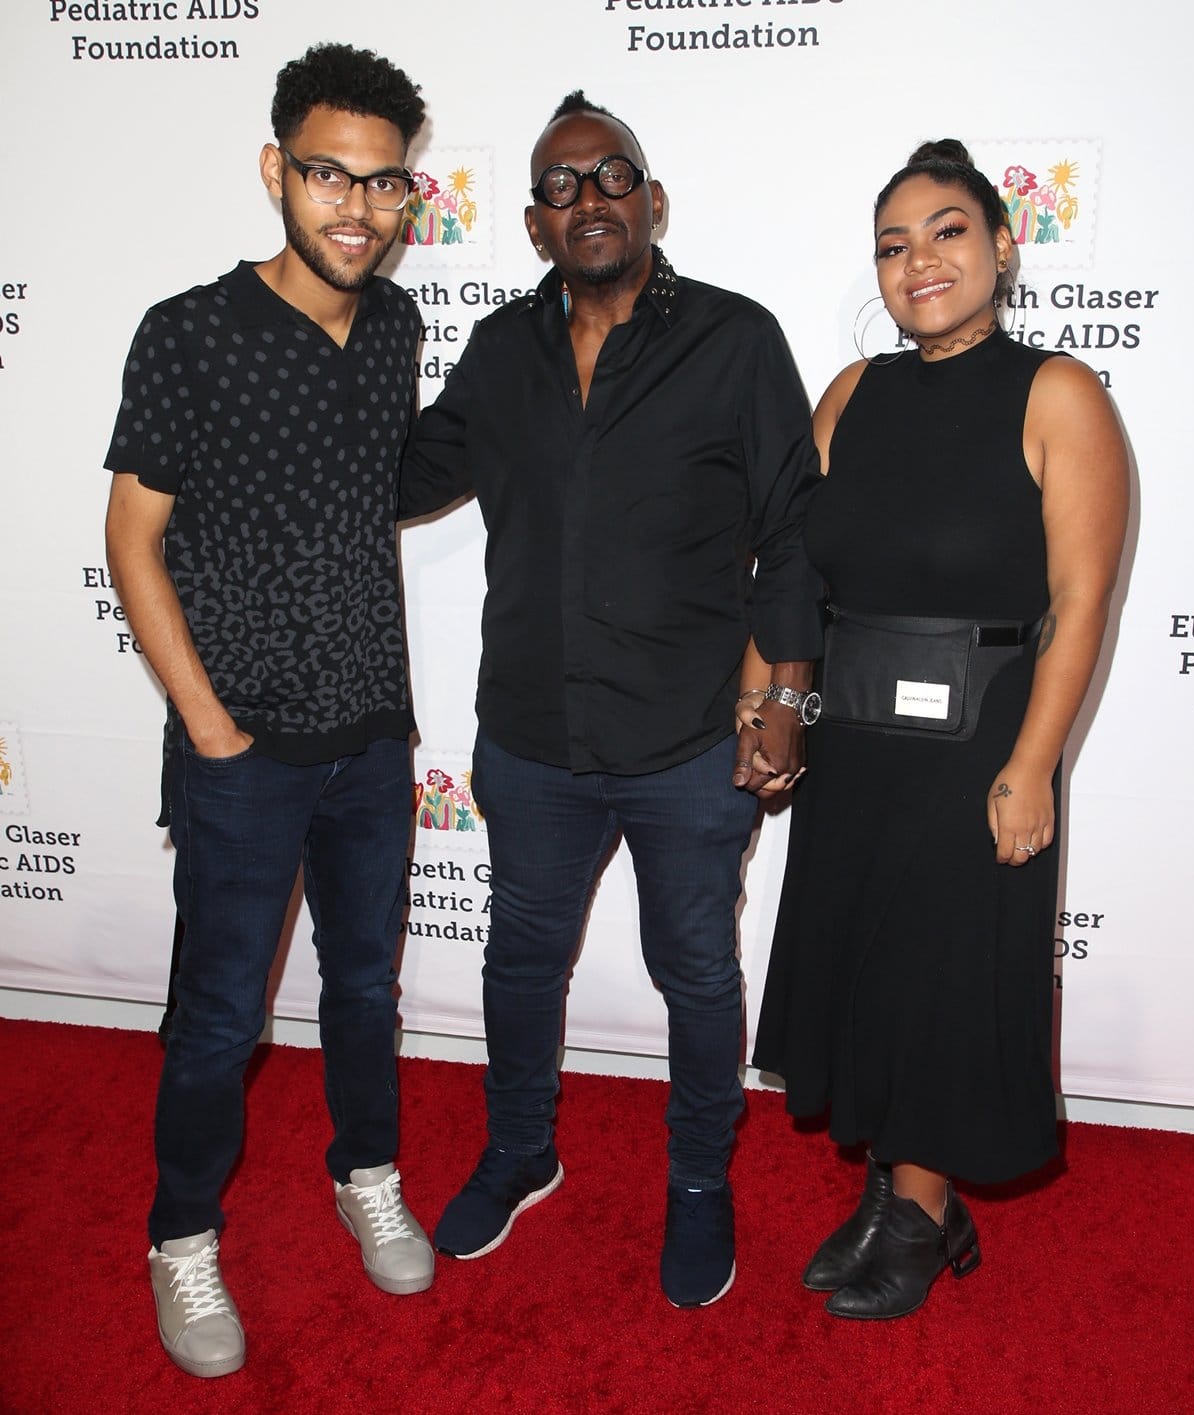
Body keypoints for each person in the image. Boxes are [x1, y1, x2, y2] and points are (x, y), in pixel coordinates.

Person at [398, 92, 825, 1308]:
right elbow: (413, 473)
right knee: (522, 962)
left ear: (653, 201)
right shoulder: (498, 350)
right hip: (530, 737)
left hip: (689, 738)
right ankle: (524, 1149)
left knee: (694, 968)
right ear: (534, 225)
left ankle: (698, 1181)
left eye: (610, 175)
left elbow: (792, 529)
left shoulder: (735, 341)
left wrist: (786, 694)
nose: (587, 199)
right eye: (560, 186)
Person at [749, 139, 1129, 1320]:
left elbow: (1081, 601)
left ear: (1004, 246)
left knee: (945, 977)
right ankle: (897, 1191)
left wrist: (1033, 764)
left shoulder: (1057, 392)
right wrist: (778, 708)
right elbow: (792, 572)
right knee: (867, 960)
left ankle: (919, 1208)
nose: (920, 261)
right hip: (856, 733)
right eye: (894, 243)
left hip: (980, 741)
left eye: (949, 230)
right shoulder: (853, 393)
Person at [104, 43, 434, 1378]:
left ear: (410, 196)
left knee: (363, 985)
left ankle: (367, 1168)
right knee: (219, 1014)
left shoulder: (402, 328)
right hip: (241, 748)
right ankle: (182, 1231)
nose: (354, 208)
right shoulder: (190, 330)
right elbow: (133, 537)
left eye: (381, 183)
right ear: (276, 172)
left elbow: (362, 493)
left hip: (372, 734)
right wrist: (209, 722)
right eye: (326, 175)